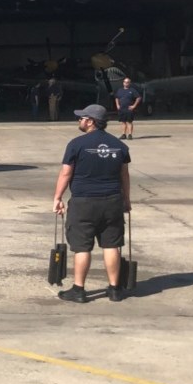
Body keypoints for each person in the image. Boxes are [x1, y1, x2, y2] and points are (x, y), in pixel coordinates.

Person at [52, 103, 132, 302]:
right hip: (112, 201)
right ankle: (115, 289)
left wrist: (57, 197)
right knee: (111, 245)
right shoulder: (120, 145)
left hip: (83, 203)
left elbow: (65, 173)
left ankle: (79, 290)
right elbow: (125, 175)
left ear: (90, 122)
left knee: (82, 247)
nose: (79, 121)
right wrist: (127, 200)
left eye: (81, 118)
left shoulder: (76, 144)